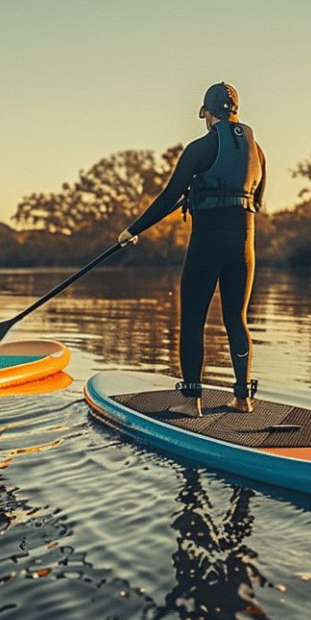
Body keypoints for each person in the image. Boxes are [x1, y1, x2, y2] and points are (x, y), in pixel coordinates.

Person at [118, 82, 266, 415]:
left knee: (193, 320)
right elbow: (256, 200)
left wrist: (132, 230)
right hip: (245, 245)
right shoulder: (257, 151)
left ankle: (191, 401)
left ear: (205, 112)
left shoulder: (199, 148)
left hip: (208, 243)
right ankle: (243, 398)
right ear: (236, 111)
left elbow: (169, 196)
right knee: (236, 319)